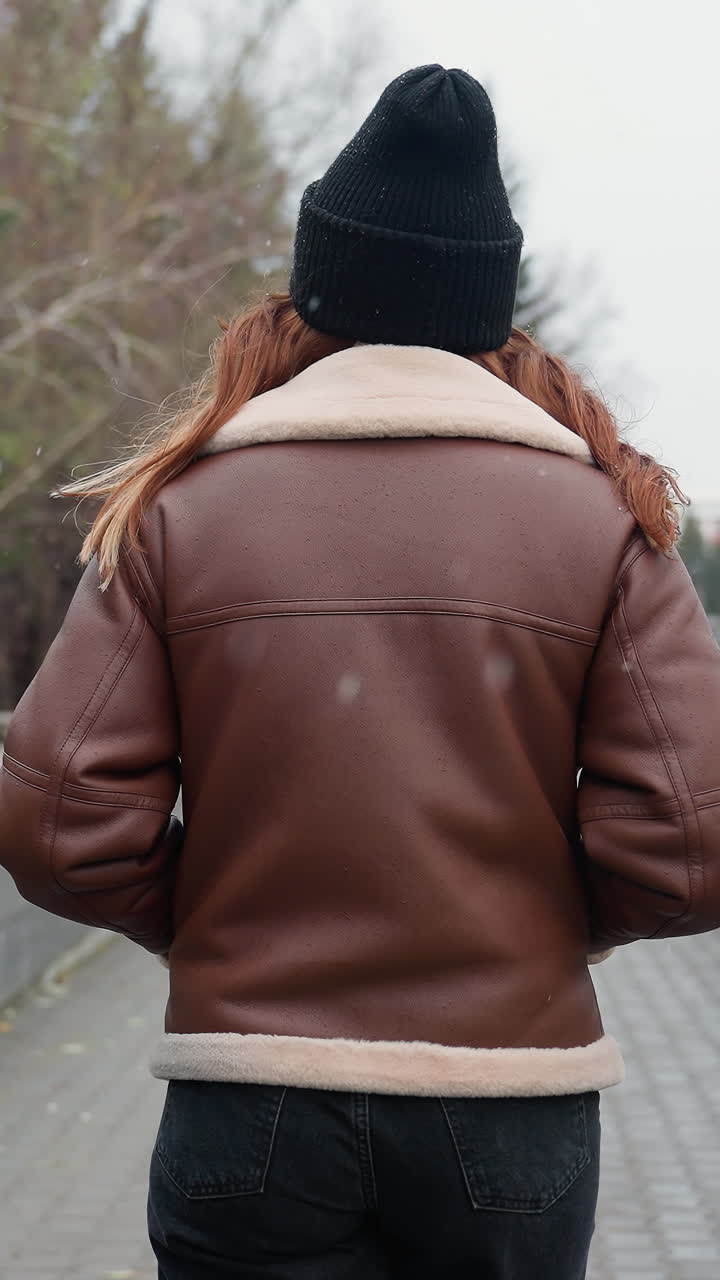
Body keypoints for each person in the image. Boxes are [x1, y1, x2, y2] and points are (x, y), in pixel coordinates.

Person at [1, 63, 719, 1280]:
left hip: (252, 1103)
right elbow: (697, 841)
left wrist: (217, 924)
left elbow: (58, 820)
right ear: (489, 305)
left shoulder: (181, 503)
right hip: (514, 1107)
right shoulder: (603, 518)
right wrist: (541, 932)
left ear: (319, 281)